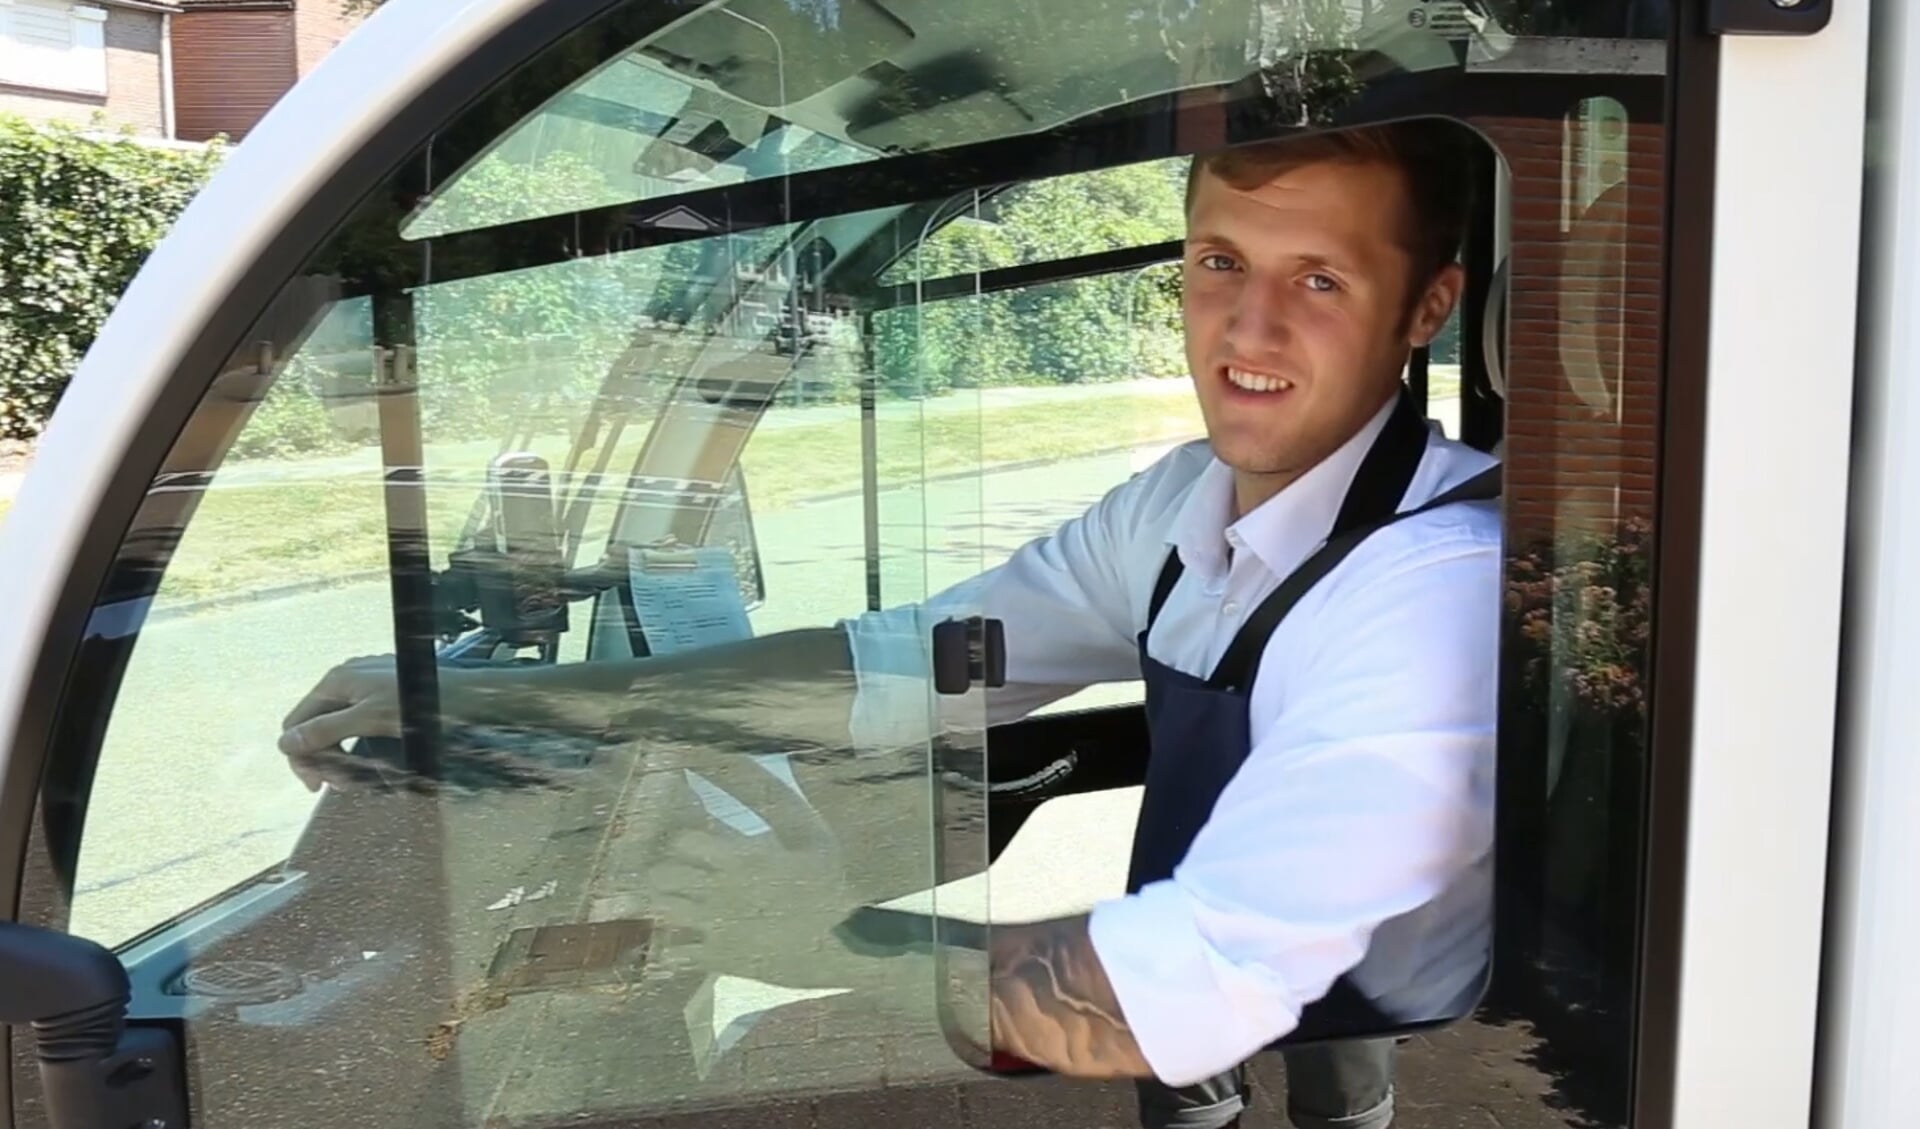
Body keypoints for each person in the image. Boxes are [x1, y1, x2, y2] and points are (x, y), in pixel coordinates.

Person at [278, 119, 1500, 1129]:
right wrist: (499, 701)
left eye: (1321, 281)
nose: (1246, 331)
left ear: (1427, 306)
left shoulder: (1433, 585)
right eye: (1219, 263)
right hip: (1196, 931)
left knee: (1338, 1080)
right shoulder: (1178, 507)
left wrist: (814, 935)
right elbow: (925, 664)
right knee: (1193, 1096)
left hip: (1339, 961)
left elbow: (1189, 979)